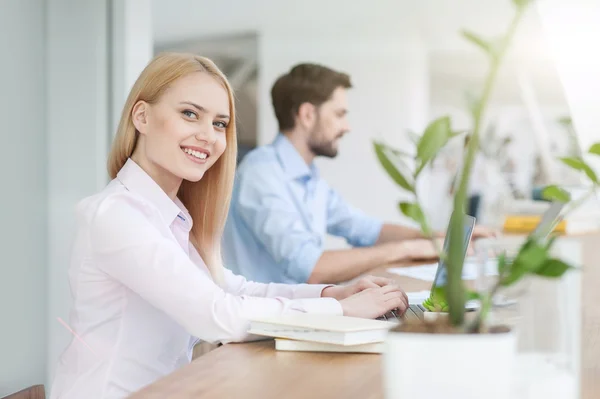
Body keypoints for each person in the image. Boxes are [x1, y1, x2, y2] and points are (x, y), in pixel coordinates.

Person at [49, 53, 408, 399]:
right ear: (141, 116)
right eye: (190, 114)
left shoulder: (170, 215)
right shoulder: (117, 215)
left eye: (219, 123)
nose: (209, 135)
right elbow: (217, 316)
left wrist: (332, 294)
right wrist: (342, 312)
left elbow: (233, 289)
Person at [223, 63, 495, 285]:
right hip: (258, 337)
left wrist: (439, 237)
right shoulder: (261, 173)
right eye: (340, 114)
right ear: (307, 115)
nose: (347, 126)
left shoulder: (309, 178)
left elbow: (367, 230)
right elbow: (309, 268)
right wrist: (408, 249)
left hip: (292, 320)